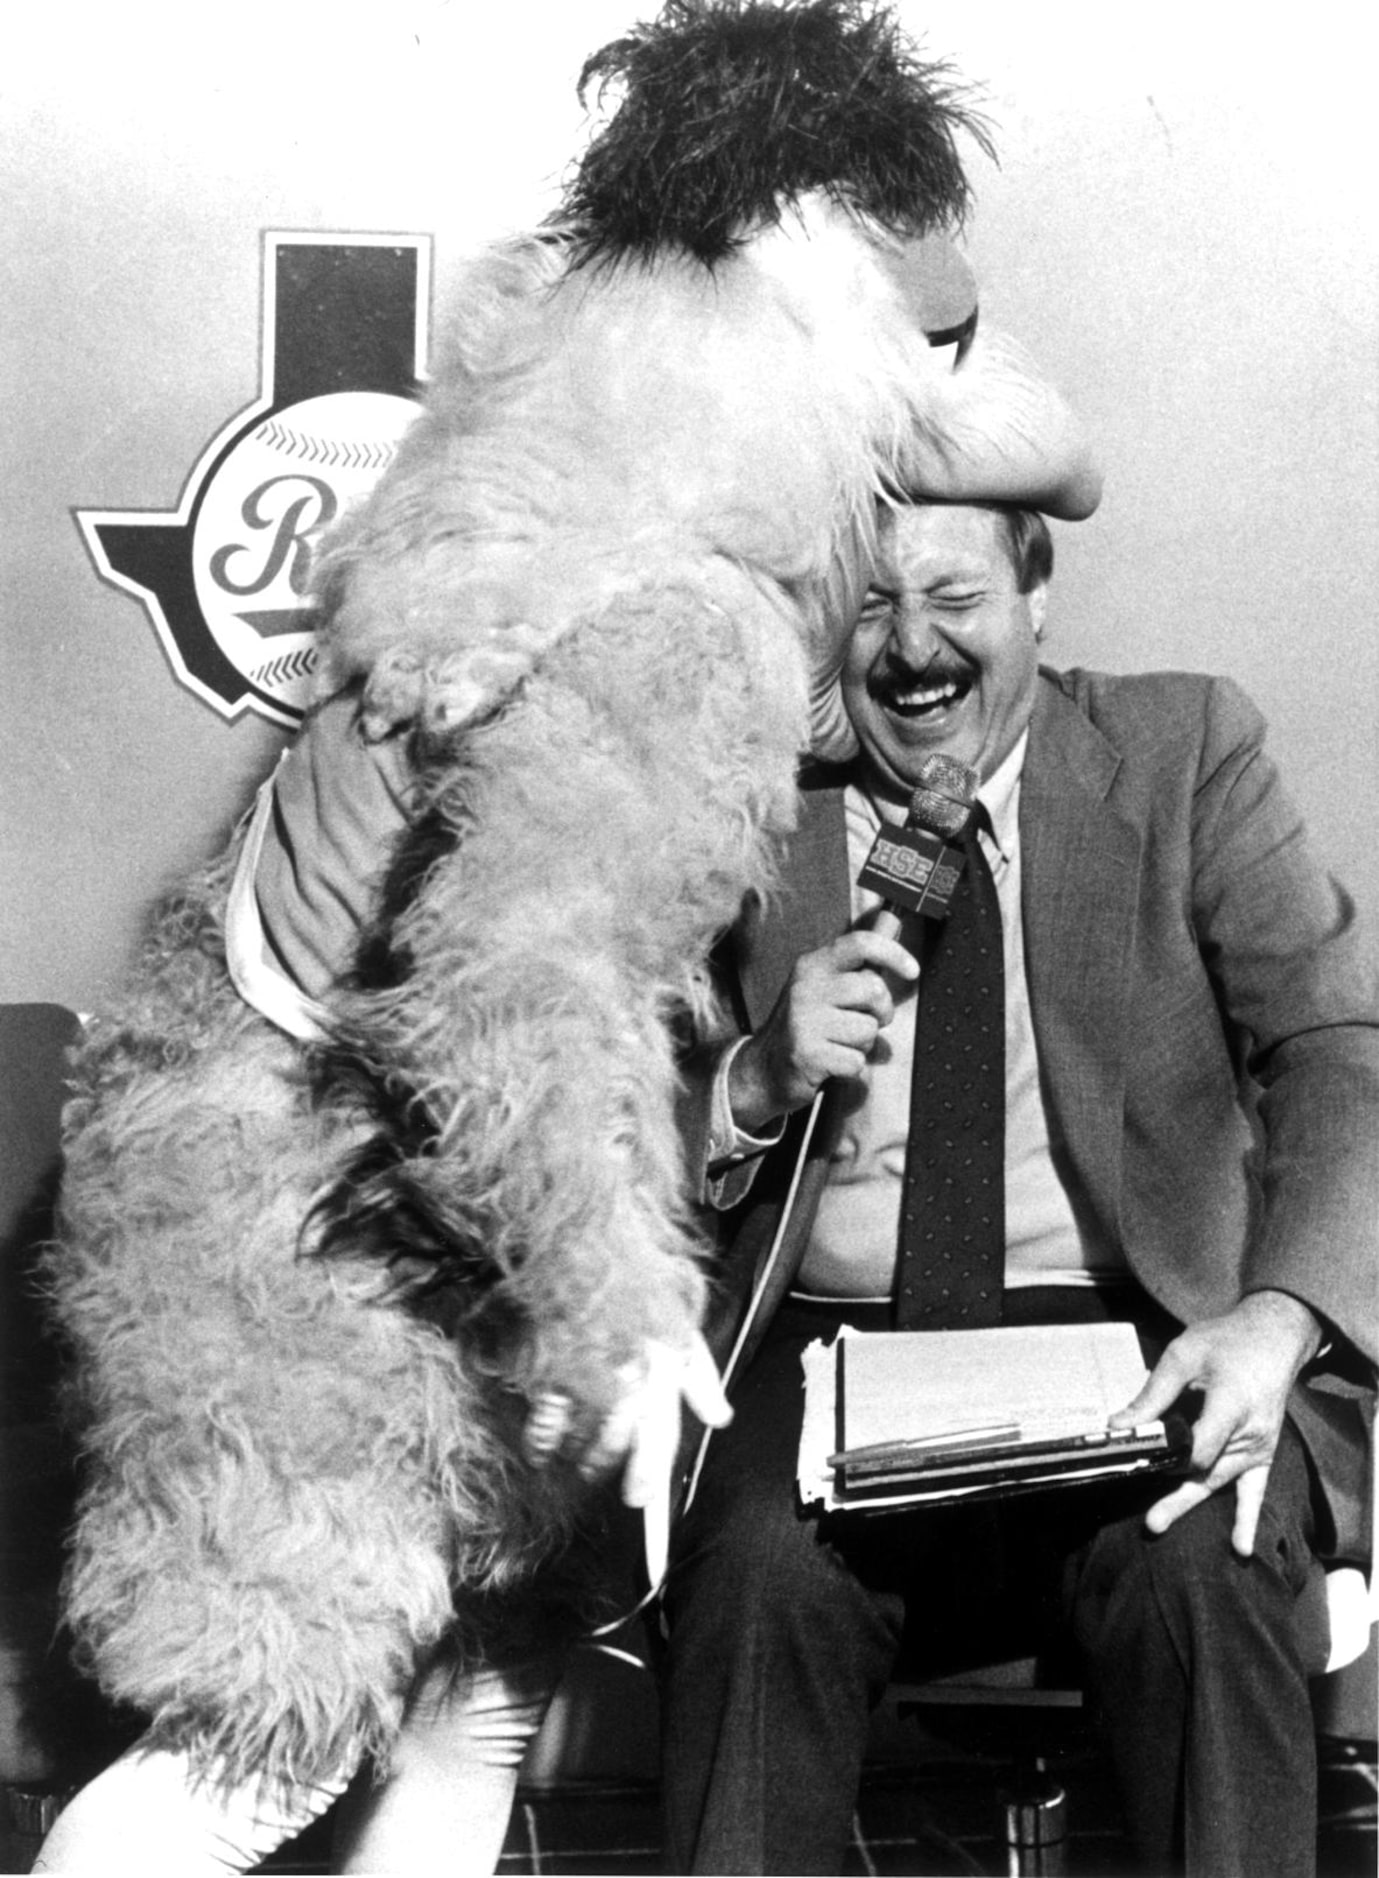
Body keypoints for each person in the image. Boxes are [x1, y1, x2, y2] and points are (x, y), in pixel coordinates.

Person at [660, 497, 1378, 1877]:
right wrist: (752, 1079)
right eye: (871, 604)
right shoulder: (744, 801)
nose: (913, 646)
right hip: (831, 1355)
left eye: (954, 594)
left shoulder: (1182, 753)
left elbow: (1341, 1049)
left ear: (1036, 588)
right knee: (754, 1575)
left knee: (1205, 1563)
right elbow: (594, 1109)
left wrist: (1277, 1322)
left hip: (1135, 1336)